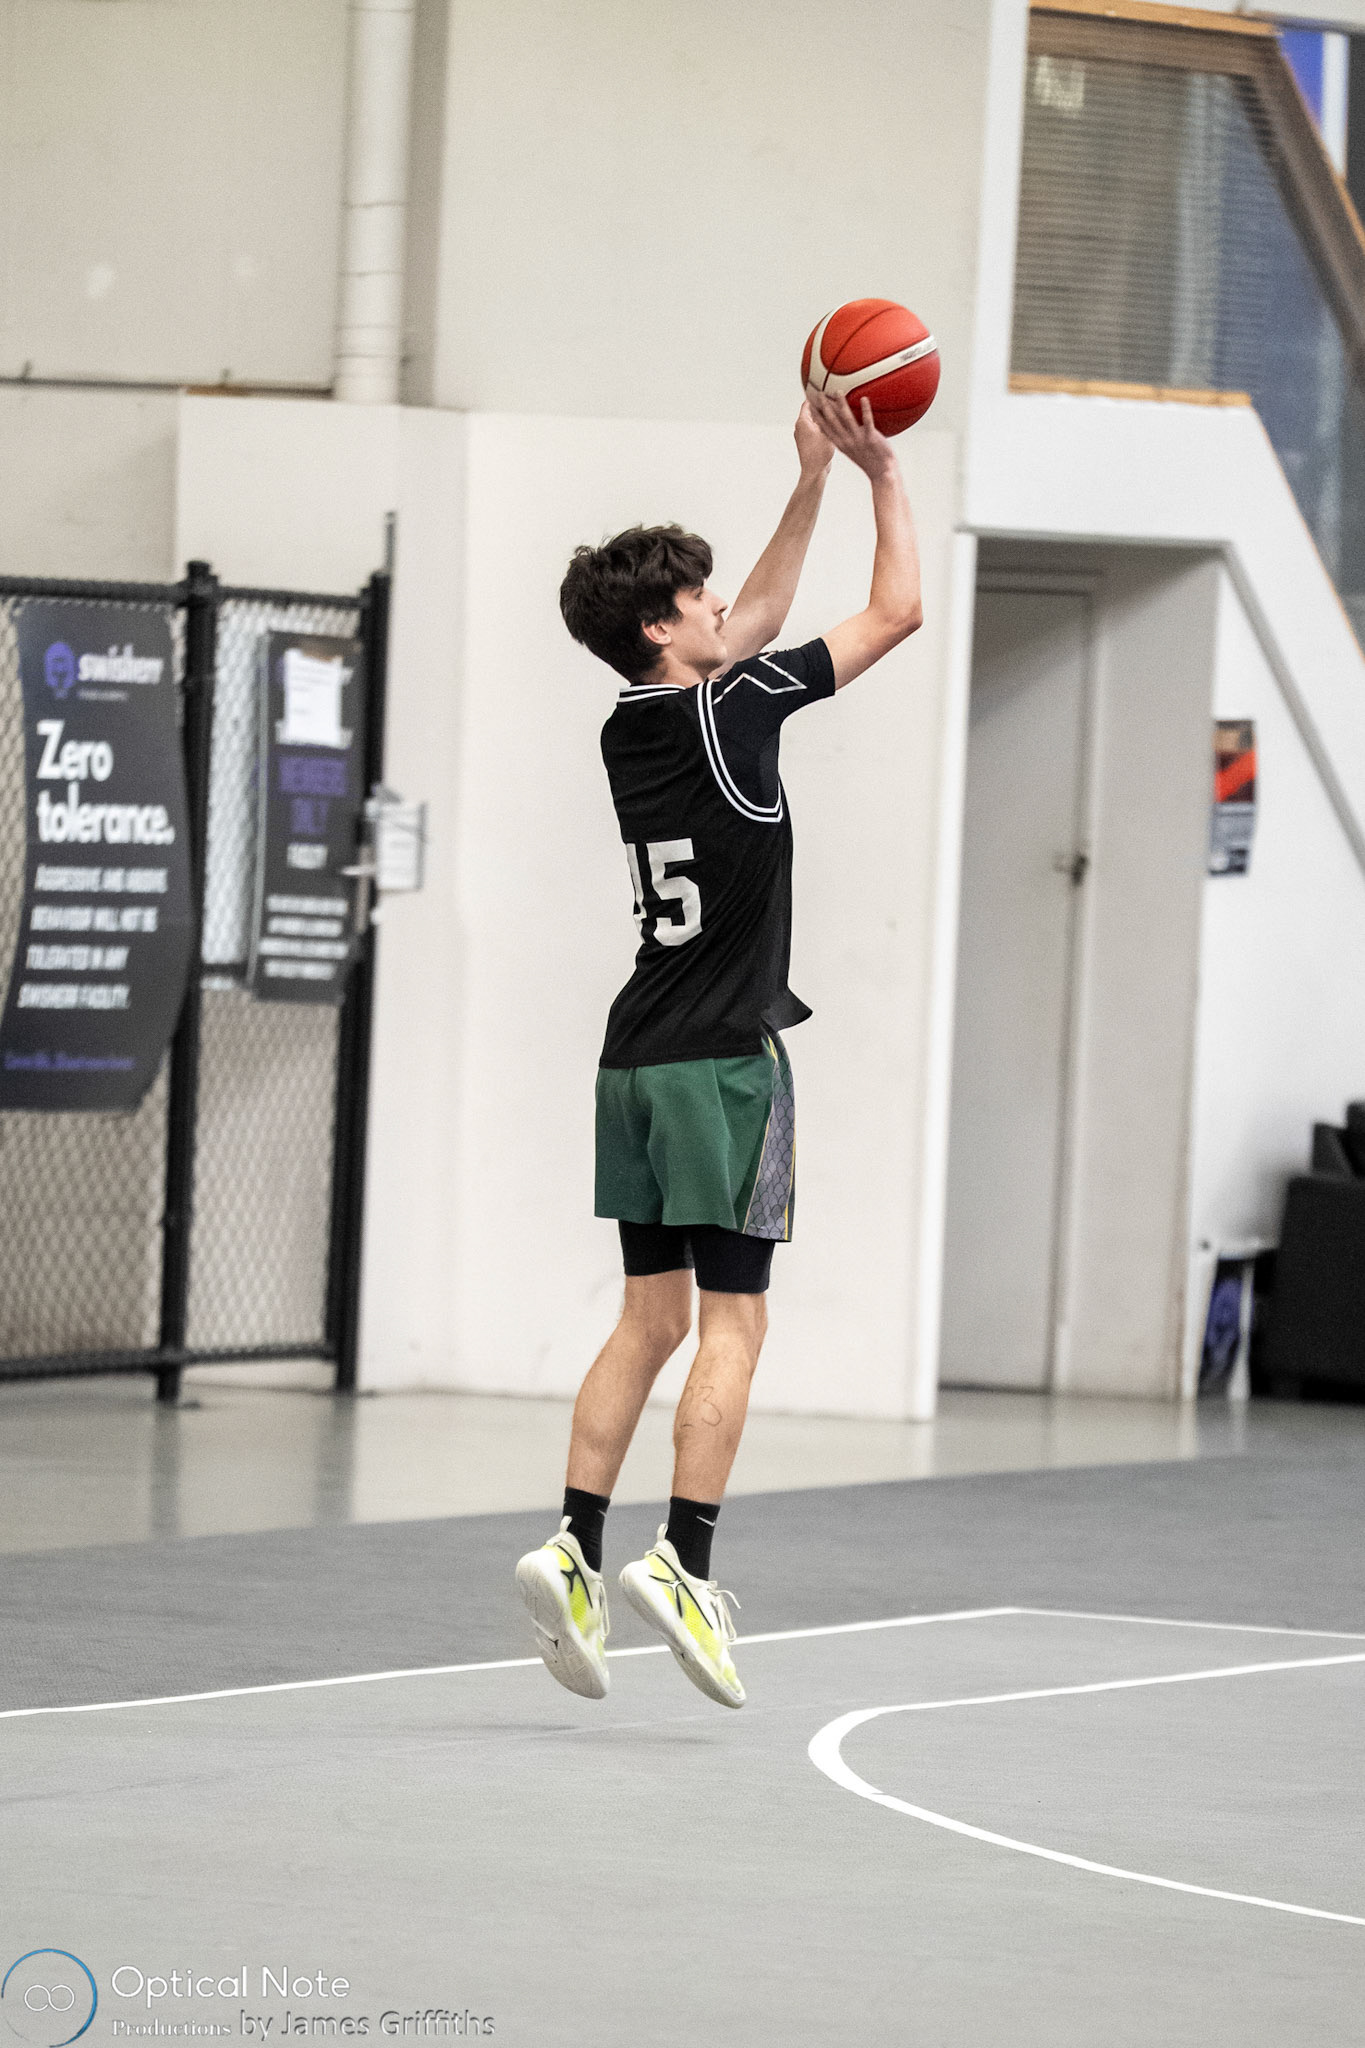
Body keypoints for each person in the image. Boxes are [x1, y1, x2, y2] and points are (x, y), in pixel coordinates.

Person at [515, 389, 922, 1709]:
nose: (720, 609)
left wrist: (805, 479)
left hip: (631, 1056)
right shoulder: (733, 710)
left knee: (648, 1317)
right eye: (696, 600)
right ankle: (683, 1563)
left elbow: (747, 623)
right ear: (660, 627)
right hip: (723, 1064)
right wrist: (878, 471)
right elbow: (896, 611)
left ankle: (573, 1546)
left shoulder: (631, 723)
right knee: (733, 1322)